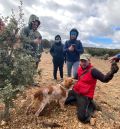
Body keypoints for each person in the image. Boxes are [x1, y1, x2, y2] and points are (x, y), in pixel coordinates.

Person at [65, 53, 119, 123]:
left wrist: (111, 72)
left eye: (85, 61)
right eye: (81, 61)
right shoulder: (79, 68)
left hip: (85, 95)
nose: (83, 63)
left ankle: (91, 105)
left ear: (89, 61)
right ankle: (79, 101)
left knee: (82, 117)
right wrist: (65, 83)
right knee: (64, 101)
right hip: (75, 91)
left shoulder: (93, 71)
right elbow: (75, 78)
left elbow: (104, 79)